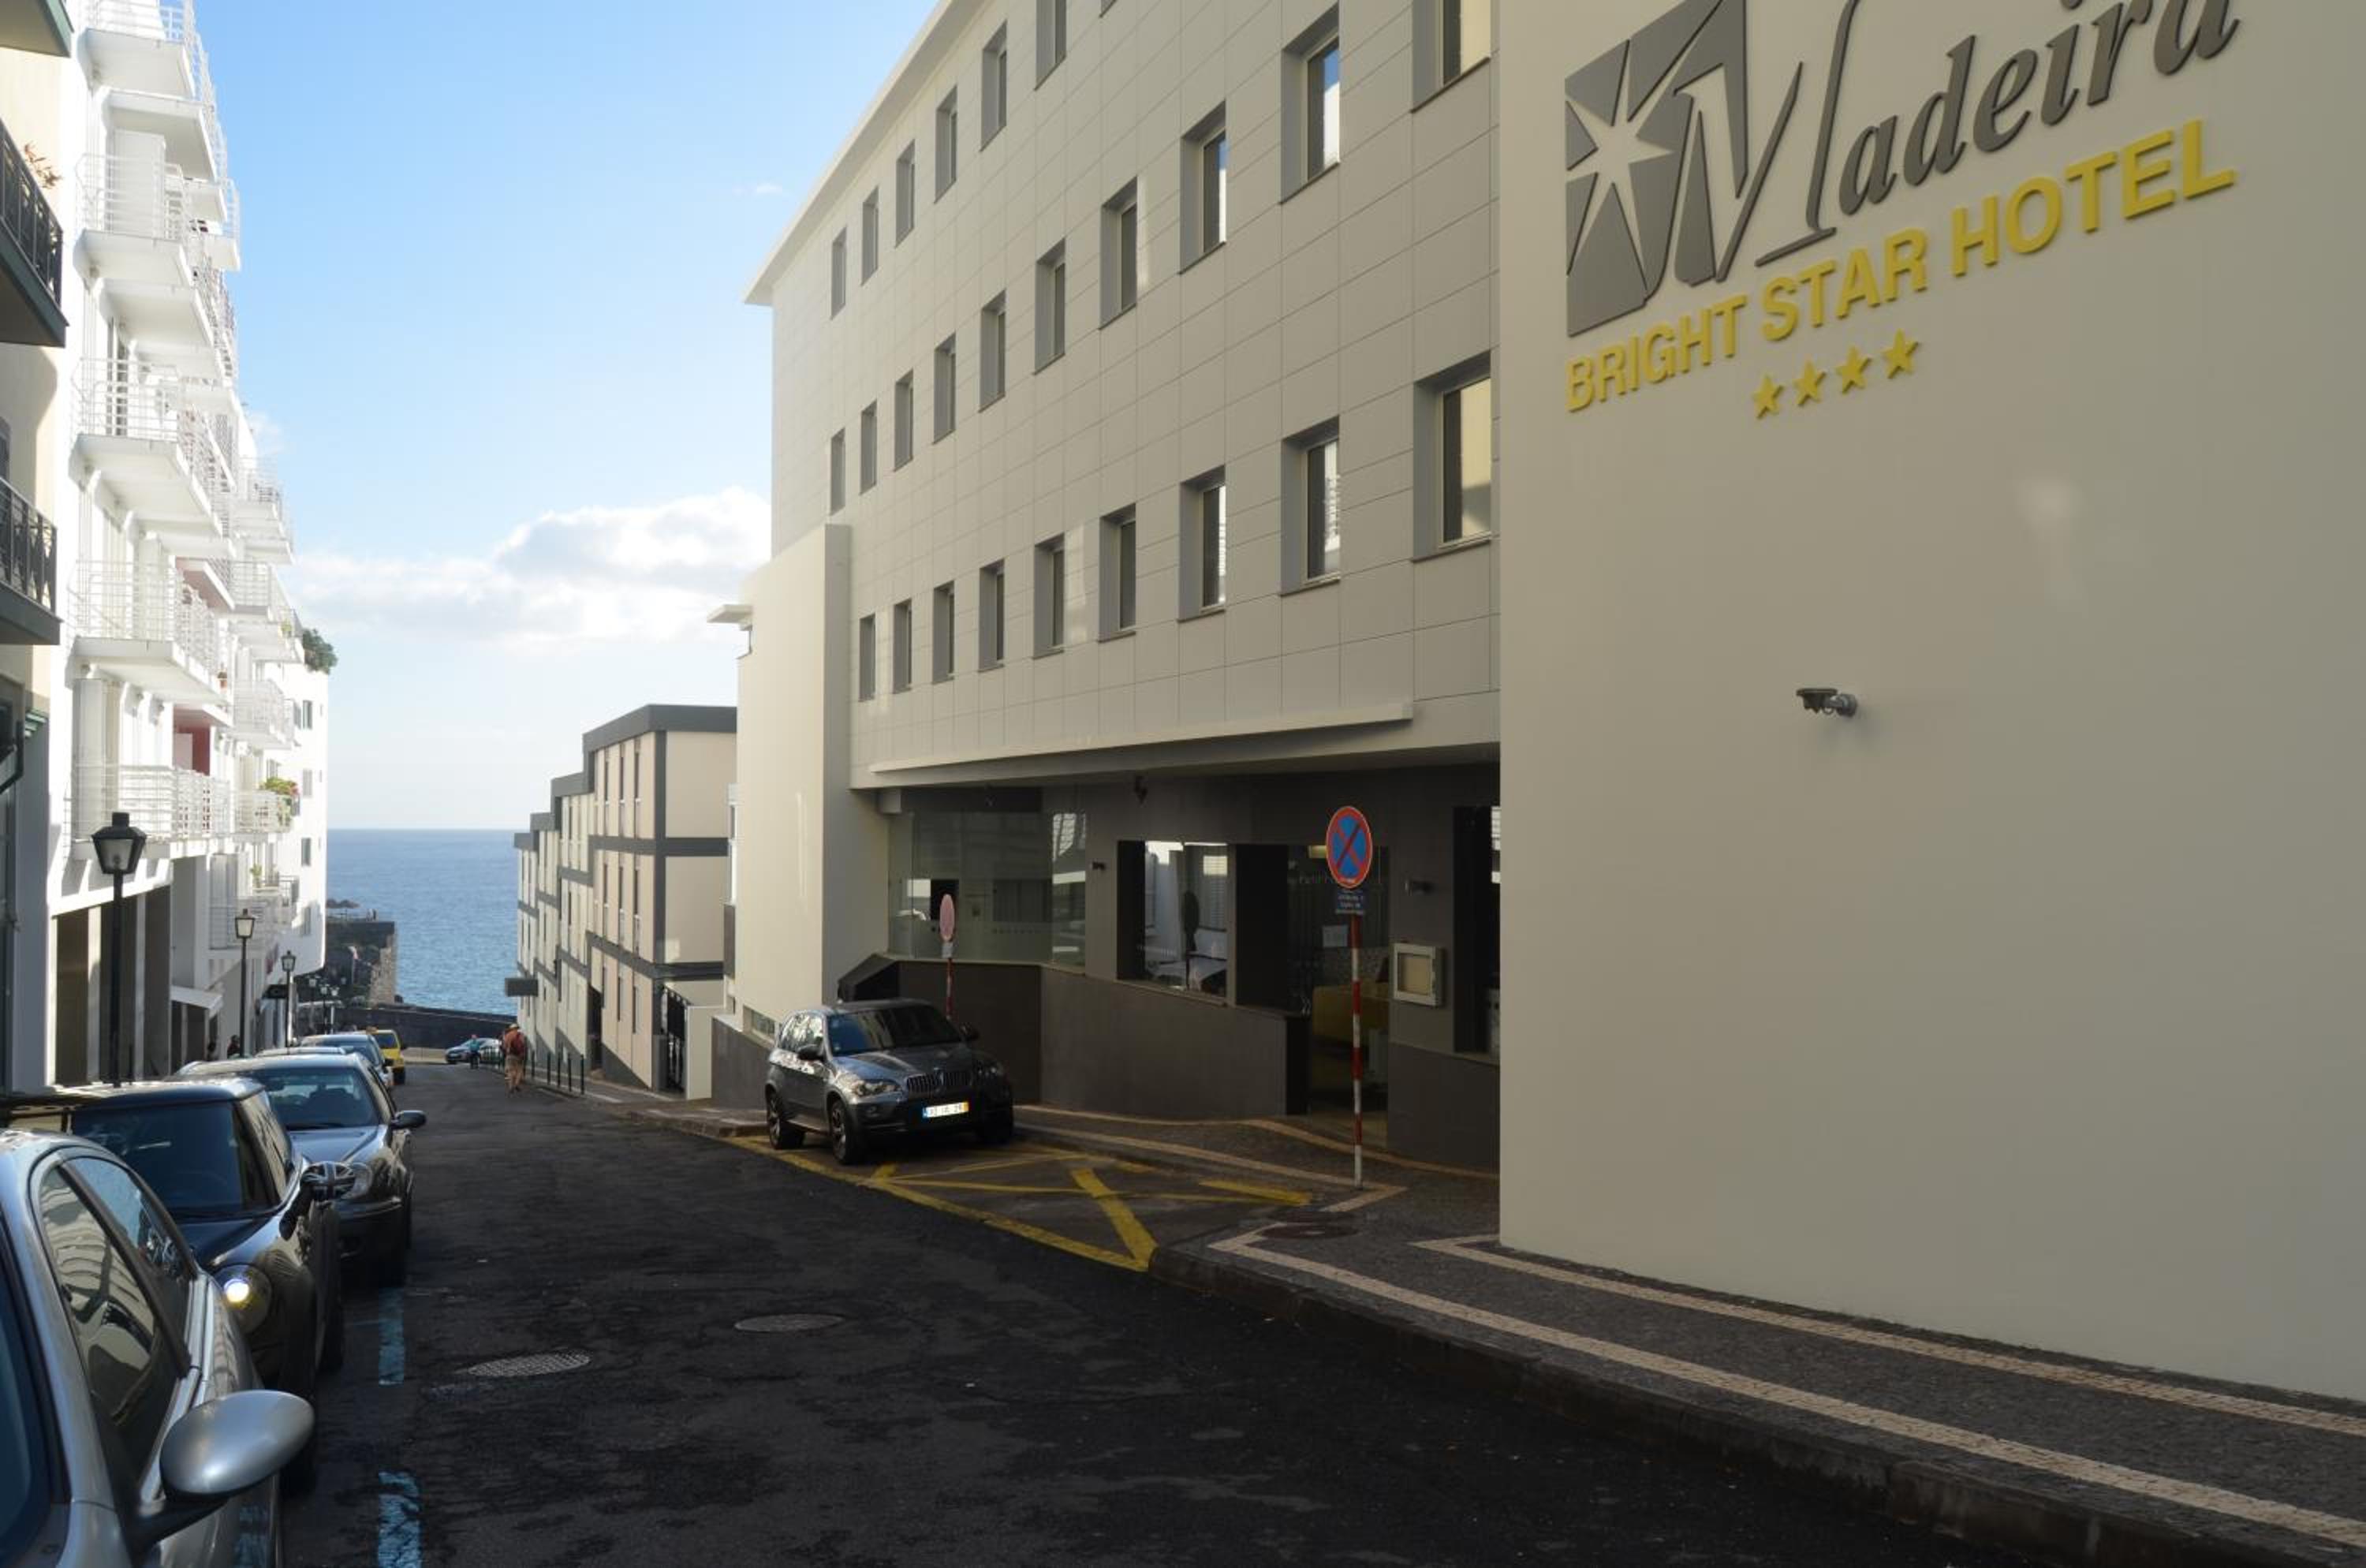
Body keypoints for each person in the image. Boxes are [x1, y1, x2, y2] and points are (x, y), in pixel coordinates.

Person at [501, 1024, 528, 1095]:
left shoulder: (507, 1035)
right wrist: (523, 1054)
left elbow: (504, 1047)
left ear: (511, 1029)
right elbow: (523, 1045)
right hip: (518, 1056)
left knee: (510, 1071)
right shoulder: (521, 1035)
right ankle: (516, 1084)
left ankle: (510, 1087)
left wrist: (507, 1049)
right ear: (517, 1028)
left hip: (509, 1055)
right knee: (519, 1070)